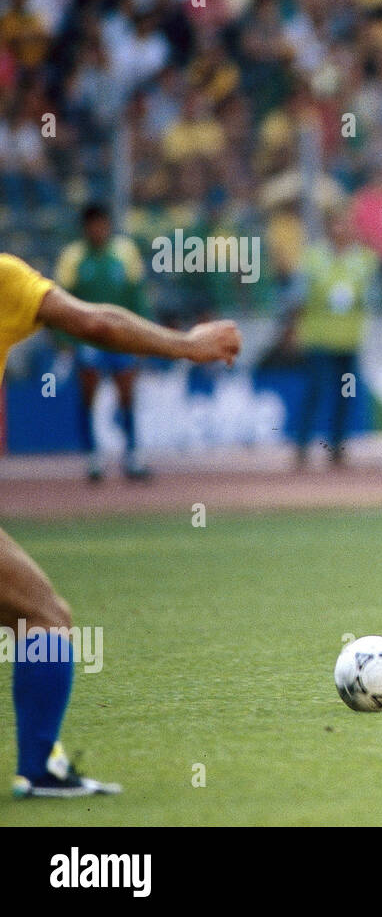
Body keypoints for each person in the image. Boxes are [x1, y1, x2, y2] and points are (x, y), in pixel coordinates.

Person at [2, 251, 241, 797]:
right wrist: (186, 344)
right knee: (44, 618)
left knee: (30, 617)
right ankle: (40, 770)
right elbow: (94, 323)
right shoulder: (4, 278)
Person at [54, 204, 151, 480]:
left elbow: (138, 298)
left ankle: (132, 455)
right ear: (85, 228)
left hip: (121, 336)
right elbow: (59, 301)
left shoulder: (125, 252)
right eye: (92, 224)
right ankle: (93, 457)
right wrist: (65, 339)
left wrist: (144, 336)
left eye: (102, 224)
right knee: (88, 396)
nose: (98, 230)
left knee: (127, 394)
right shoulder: (72, 257)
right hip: (87, 338)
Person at [289, 206, 379, 468]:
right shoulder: (313, 258)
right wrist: (294, 330)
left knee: (345, 395)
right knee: (315, 393)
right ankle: (302, 447)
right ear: (328, 228)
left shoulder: (364, 259)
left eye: (345, 225)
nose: (341, 230)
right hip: (318, 339)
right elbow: (298, 297)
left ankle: (337, 449)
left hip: (350, 340)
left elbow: (374, 296)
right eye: (336, 225)